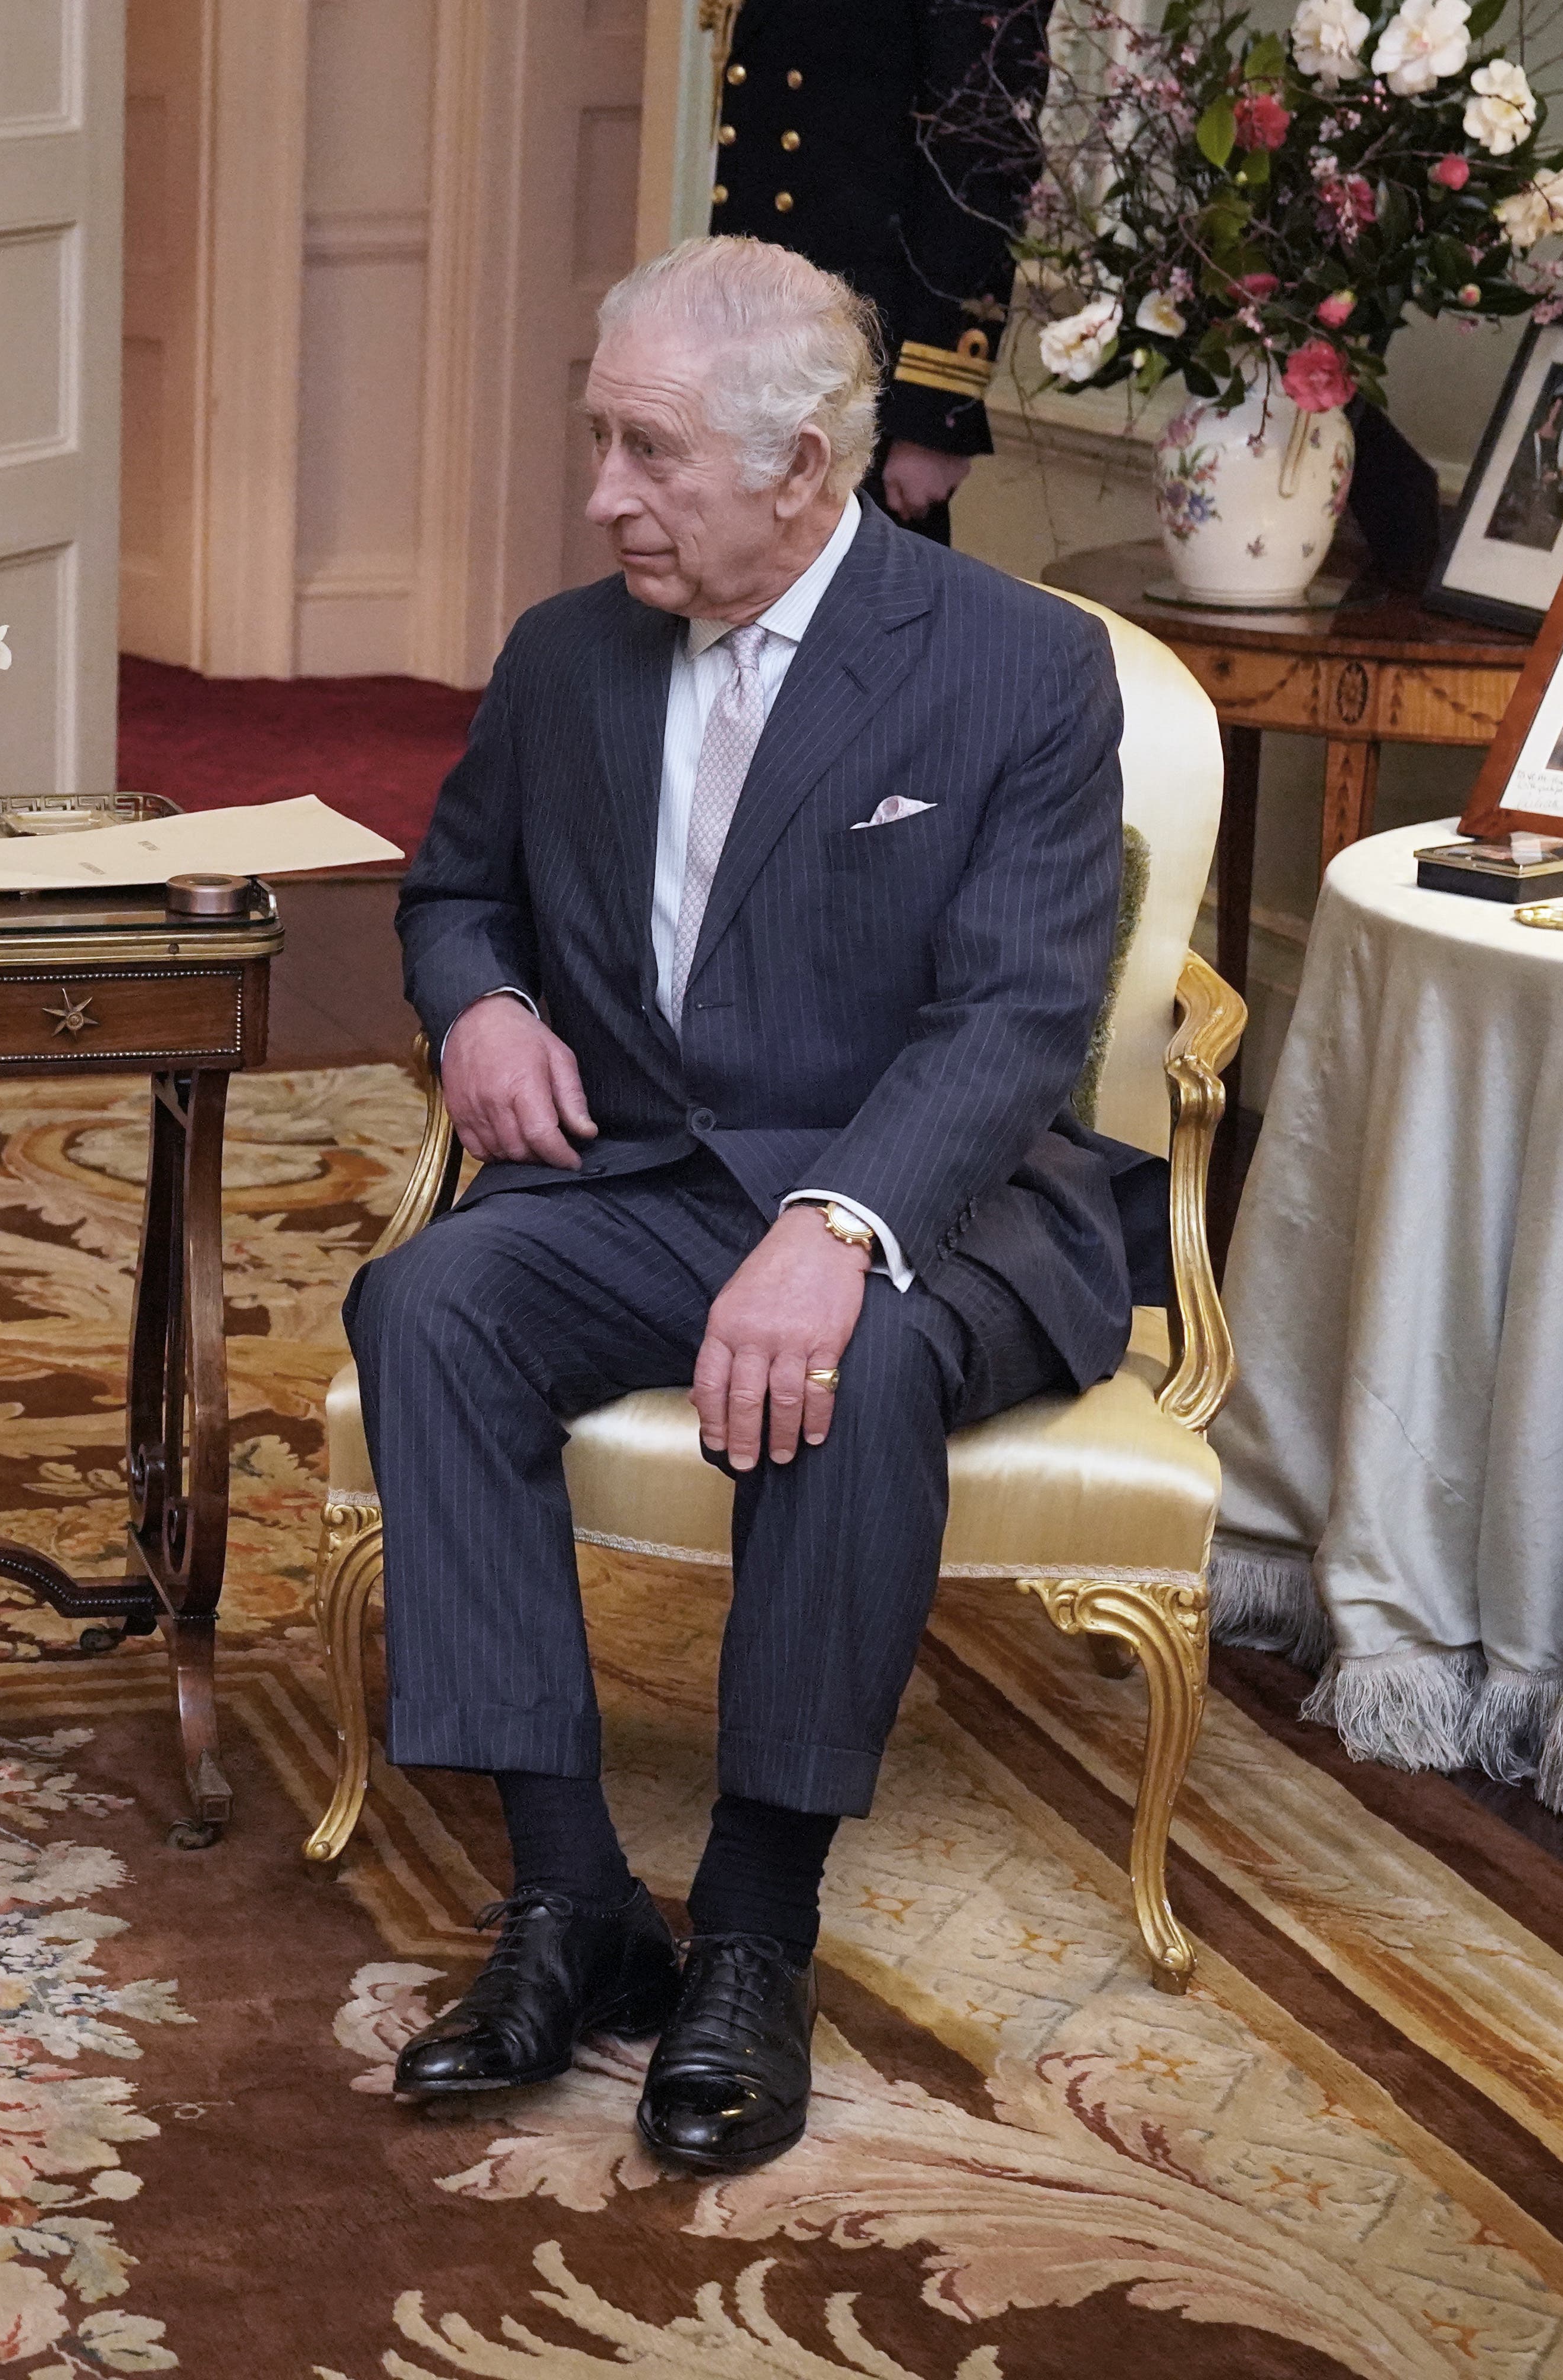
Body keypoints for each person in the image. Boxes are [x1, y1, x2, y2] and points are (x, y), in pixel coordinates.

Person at [346, 236, 1160, 2174]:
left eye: (649, 453)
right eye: (601, 440)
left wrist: (842, 1220)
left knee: (848, 1367)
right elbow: (456, 894)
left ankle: (755, 1934)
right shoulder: (568, 655)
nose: (604, 493)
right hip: (645, 1180)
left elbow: (1021, 1014)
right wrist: (481, 1011)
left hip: (938, 1199)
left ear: (805, 469)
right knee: (429, 1306)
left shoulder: (1016, 667)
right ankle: (572, 1906)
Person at [706, 0, 1053, 547]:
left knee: (860, 616)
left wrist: (934, 410)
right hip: (750, 347)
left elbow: (981, 164)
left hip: (863, 372)